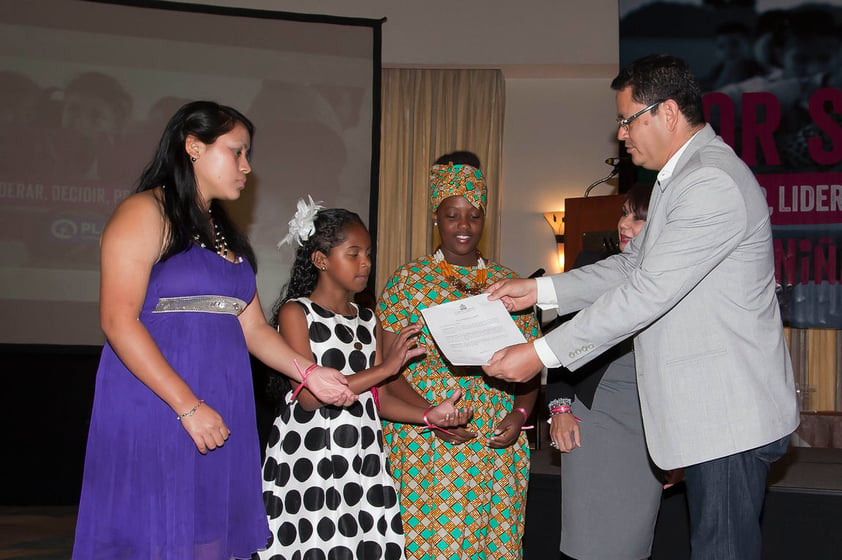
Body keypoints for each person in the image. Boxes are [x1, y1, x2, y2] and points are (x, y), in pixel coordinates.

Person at [482, 55, 798, 560]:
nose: (621, 135)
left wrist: (540, 354)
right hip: (711, 418)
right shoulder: (681, 178)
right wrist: (540, 292)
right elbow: (631, 270)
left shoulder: (709, 182)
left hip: (728, 419)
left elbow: (647, 292)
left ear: (667, 113)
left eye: (628, 120)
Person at [72, 101, 356, 560]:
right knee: (157, 534)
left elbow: (255, 329)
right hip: (160, 401)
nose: (247, 167)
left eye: (249, 155)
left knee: (209, 535)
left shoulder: (224, 231)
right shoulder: (144, 212)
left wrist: (310, 372)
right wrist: (187, 407)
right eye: (237, 152)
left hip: (222, 401)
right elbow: (117, 320)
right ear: (194, 147)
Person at [256, 200, 473, 560]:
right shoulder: (297, 312)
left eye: (369, 253)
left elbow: (380, 400)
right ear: (321, 260)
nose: (366, 263)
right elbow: (310, 398)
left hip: (362, 457)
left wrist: (427, 416)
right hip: (311, 458)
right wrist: (386, 368)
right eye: (353, 253)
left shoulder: (367, 319)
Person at [377, 151, 541, 560]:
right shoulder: (408, 281)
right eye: (452, 215)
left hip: (494, 441)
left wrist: (519, 416)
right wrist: (433, 414)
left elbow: (532, 365)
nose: (464, 226)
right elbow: (388, 370)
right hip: (425, 437)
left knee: (493, 545)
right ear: (436, 217)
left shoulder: (510, 284)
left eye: (474, 215)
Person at [545, 183, 663, 560]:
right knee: (586, 543)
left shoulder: (677, 279)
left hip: (649, 429)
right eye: (624, 213)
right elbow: (561, 341)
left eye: (638, 217)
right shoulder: (594, 267)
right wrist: (560, 408)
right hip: (593, 418)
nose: (625, 224)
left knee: (633, 545)